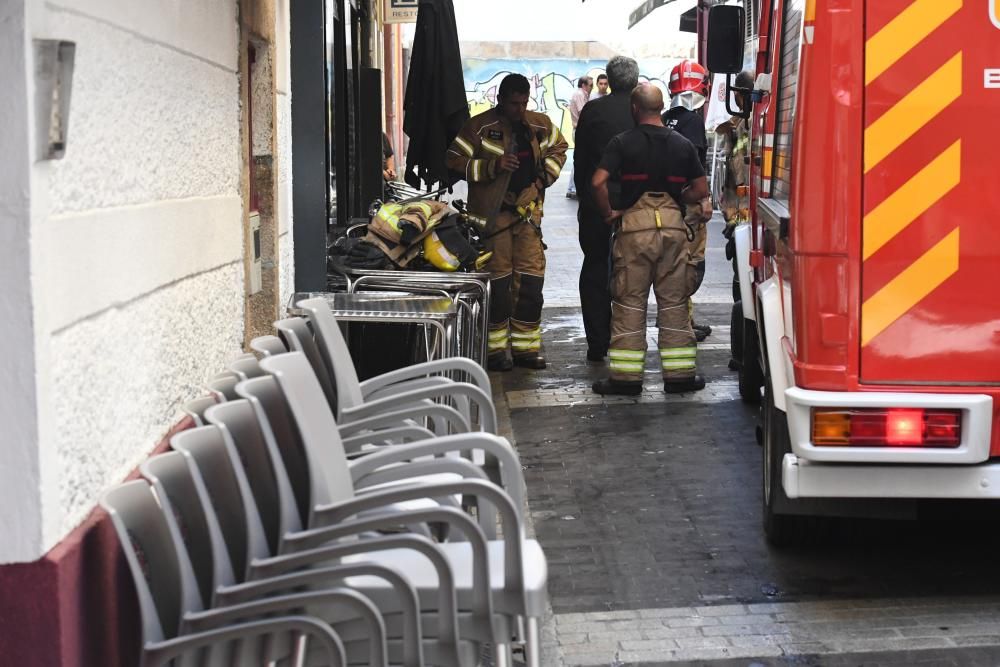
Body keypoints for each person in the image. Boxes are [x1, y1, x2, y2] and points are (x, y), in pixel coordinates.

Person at [591, 83, 710, 396]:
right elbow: (701, 189)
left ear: (634, 108)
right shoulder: (683, 144)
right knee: (674, 302)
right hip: (672, 229)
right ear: (660, 108)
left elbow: (598, 182)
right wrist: (680, 198)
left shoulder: (622, 143)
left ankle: (626, 380)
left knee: (629, 301)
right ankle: (680, 377)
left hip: (635, 229)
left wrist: (610, 213)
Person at [445, 73, 568, 371]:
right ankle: (495, 353)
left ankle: (526, 351)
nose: (520, 110)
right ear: (501, 99)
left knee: (529, 282)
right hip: (492, 219)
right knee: (497, 284)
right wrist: (492, 166)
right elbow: (453, 159)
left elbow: (559, 148)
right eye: (514, 103)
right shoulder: (479, 127)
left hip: (527, 218)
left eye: (524, 103)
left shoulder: (537, 124)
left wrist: (541, 181)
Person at [573, 55, 639, 363]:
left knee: (596, 268)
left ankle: (597, 344)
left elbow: (581, 160)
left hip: (597, 205)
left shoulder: (593, 110)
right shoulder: (643, 111)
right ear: (636, 81)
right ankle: (626, 342)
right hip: (636, 207)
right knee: (634, 275)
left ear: (608, 81)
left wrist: (587, 197)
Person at [663, 59, 714, 342]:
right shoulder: (693, 121)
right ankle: (680, 324)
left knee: (675, 263)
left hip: (669, 205)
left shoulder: (664, 118)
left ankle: (685, 320)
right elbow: (693, 164)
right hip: (689, 206)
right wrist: (703, 198)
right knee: (691, 265)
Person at [566, 76, 593, 199]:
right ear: (583, 85)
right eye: (590, 85)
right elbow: (584, 112)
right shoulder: (580, 95)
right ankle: (572, 188)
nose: (591, 88)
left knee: (580, 158)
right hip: (580, 130)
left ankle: (573, 187)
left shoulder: (582, 95)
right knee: (579, 159)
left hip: (580, 130)